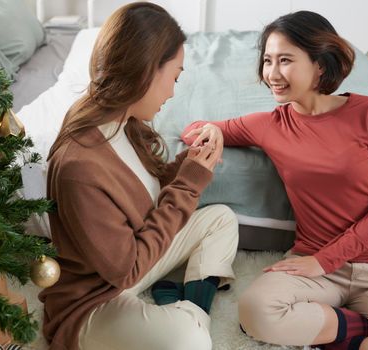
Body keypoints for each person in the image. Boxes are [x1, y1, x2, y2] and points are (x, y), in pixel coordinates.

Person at [182, 10, 368, 350]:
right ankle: (360, 331)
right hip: (312, 265)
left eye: (285, 60)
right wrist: (208, 130)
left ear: (320, 65)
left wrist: (324, 260)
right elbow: (194, 130)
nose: (272, 73)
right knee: (255, 312)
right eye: (267, 61)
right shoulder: (270, 124)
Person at [39, 3, 239, 350]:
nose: (173, 91)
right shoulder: (80, 167)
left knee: (221, 219)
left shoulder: (121, 120)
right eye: (174, 77)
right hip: (93, 299)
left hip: (133, 255)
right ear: (147, 70)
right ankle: (195, 307)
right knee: (191, 341)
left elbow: (144, 192)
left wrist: (188, 165)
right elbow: (127, 271)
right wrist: (189, 185)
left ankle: (188, 305)